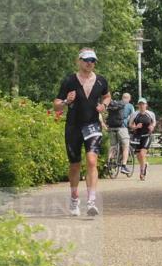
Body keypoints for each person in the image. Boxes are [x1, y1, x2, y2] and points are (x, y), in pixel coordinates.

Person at [53, 48, 110, 217]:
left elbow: (107, 96)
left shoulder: (101, 81)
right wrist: (65, 101)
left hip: (92, 124)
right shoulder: (69, 81)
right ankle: (74, 197)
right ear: (79, 61)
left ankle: (91, 201)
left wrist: (104, 106)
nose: (89, 63)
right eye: (86, 60)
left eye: (92, 60)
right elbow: (56, 104)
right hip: (73, 126)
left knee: (92, 160)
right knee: (75, 164)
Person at [129, 98, 156, 180]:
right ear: (138, 105)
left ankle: (142, 172)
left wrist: (152, 126)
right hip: (137, 136)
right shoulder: (134, 114)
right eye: (140, 104)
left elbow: (154, 122)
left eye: (143, 104)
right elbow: (130, 124)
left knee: (142, 153)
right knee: (138, 155)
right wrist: (136, 127)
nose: (141, 106)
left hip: (147, 135)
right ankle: (144, 165)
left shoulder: (150, 114)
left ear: (146, 105)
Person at [104, 95, 131, 176]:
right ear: (128, 99)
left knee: (113, 146)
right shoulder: (127, 105)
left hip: (111, 127)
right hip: (121, 127)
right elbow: (132, 117)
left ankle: (108, 162)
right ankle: (124, 166)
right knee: (126, 146)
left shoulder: (110, 104)